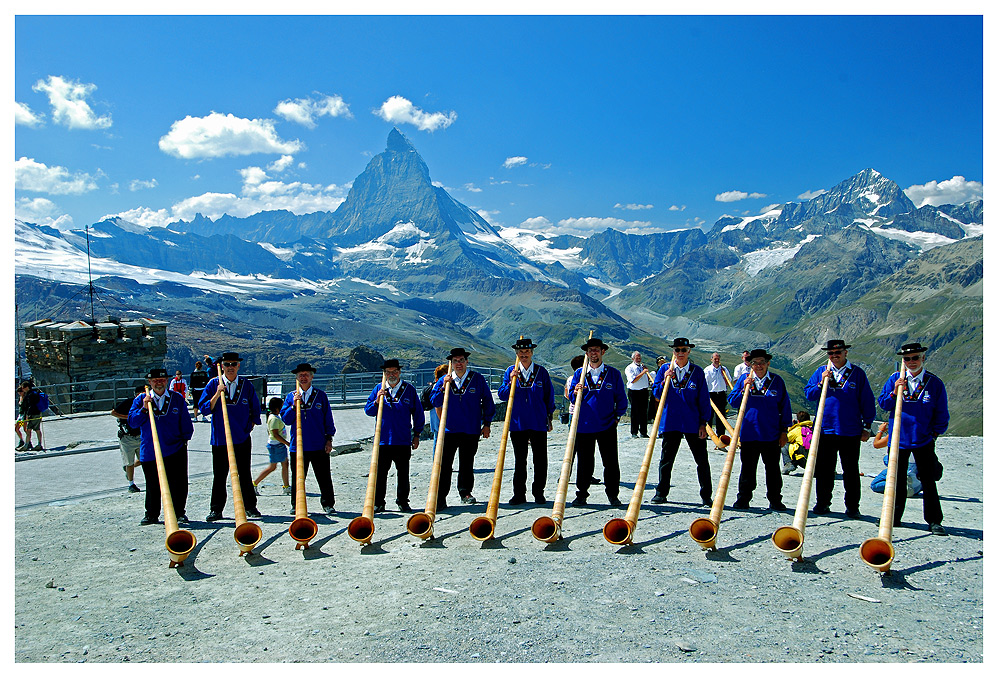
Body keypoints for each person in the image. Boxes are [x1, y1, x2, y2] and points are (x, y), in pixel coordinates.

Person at [877, 342, 949, 535]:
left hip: (923, 439)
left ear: (923, 358)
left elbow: (941, 412)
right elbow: (883, 404)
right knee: (896, 480)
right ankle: (894, 517)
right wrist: (894, 391)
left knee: (927, 480)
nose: (911, 362)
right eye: (907, 359)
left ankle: (934, 521)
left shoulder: (934, 383)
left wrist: (935, 433)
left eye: (915, 357)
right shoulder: (895, 379)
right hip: (898, 439)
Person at [805, 339, 876, 519]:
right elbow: (809, 394)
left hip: (850, 430)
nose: (834, 356)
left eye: (838, 353)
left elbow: (867, 400)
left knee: (851, 471)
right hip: (825, 429)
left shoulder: (857, 374)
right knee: (824, 470)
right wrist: (821, 383)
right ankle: (823, 503)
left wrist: (867, 425)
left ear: (845, 353)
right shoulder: (821, 372)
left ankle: (852, 506)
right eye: (830, 354)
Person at [649, 338, 713, 507]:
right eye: (677, 350)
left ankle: (706, 495)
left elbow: (704, 399)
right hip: (671, 421)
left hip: (692, 422)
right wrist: (664, 380)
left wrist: (703, 423)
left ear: (689, 351)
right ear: (673, 352)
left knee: (701, 460)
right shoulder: (665, 369)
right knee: (666, 460)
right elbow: (656, 394)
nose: (680, 353)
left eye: (684, 350)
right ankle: (661, 493)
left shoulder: (697, 372)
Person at [198, 351, 262, 521]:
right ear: (222, 366)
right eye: (227, 364)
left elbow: (255, 408)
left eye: (234, 364)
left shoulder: (246, 385)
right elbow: (204, 408)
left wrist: (249, 427)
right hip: (220, 439)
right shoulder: (213, 384)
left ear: (238, 365)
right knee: (220, 475)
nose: (230, 367)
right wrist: (217, 394)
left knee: (244, 473)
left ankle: (250, 507)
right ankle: (216, 510)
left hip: (241, 438)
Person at [430, 348, 496, 507]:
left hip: (470, 429)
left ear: (467, 361)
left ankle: (465, 492)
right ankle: (440, 497)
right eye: (455, 361)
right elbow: (434, 401)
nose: (458, 364)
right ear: (451, 363)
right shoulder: (444, 380)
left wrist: (487, 423)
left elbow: (488, 401)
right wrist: (443, 387)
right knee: (444, 464)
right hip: (448, 430)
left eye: (461, 360)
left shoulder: (477, 379)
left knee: (467, 463)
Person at [727, 348, 792, 511]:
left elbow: (785, 406)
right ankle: (743, 498)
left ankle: (775, 499)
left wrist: (784, 430)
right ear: (750, 365)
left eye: (762, 362)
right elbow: (732, 402)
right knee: (748, 469)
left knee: (773, 470)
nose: (759, 366)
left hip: (771, 434)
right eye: (755, 363)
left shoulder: (777, 381)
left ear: (767, 363)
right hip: (749, 433)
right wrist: (743, 389)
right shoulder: (744, 379)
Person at [127, 368, 194, 525]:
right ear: (149, 382)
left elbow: (185, 422)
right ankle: (151, 514)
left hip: (175, 448)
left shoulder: (176, 398)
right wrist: (144, 408)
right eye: (155, 380)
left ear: (166, 381)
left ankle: (178, 512)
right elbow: (132, 422)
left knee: (178, 483)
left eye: (162, 379)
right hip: (150, 450)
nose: (159, 382)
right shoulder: (141, 399)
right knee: (152, 484)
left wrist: (184, 440)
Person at [568, 337, 628, 507]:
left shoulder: (613, 374)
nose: (593, 352)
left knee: (610, 461)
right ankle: (581, 494)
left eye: (596, 349)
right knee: (584, 462)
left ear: (603, 351)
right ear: (586, 353)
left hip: (607, 425)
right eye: (590, 350)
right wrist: (576, 391)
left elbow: (621, 399)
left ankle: (613, 495)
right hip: (584, 425)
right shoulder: (580, 374)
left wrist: (617, 417)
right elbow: (572, 397)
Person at [497, 337, 556, 505]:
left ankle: (539, 492)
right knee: (520, 460)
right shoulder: (510, 370)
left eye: (527, 351)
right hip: (518, 423)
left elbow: (548, 396)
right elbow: (502, 395)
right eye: (521, 352)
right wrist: (510, 381)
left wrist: (549, 417)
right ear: (516, 353)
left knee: (540, 459)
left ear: (532, 352)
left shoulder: (541, 372)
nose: (524, 354)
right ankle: (519, 494)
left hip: (538, 421)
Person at [364, 359, 424, 512]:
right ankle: (379, 502)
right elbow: (368, 411)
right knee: (380, 473)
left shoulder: (409, 389)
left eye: (394, 371)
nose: (391, 375)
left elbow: (418, 413)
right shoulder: (379, 389)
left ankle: (403, 501)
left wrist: (417, 434)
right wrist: (377, 400)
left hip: (402, 439)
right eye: (388, 372)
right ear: (384, 373)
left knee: (403, 473)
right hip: (382, 440)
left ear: (399, 372)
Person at [281, 363, 338, 516]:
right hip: (298, 446)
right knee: (298, 478)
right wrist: (294, 405)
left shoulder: (321, 395)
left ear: (312, 376)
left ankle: (328, 504)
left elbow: (328, 419)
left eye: (306, 374)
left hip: (318, 444)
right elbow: (285, 419)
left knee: (324, 476)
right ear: (297, 378)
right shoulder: (290, 396)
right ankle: (296, 504)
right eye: (300, 375)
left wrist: (329, 439)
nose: (303, 377)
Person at [869, 421, 922, 497]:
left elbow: (876, 444)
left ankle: (900, 485)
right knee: (886, 459)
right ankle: (918, 485)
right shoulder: (921, 431)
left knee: (875, 485)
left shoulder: (897, 431)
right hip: (916, 469)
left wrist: (880, 431)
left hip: (903, 465)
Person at [111, 385, 145, 493]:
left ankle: (128, 470)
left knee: (144, 460)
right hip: (127, 438)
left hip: (141, 437)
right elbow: (113, 412)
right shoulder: (128, 402)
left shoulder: (147, 404)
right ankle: (131, 484)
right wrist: (128, 417)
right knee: (129, 462)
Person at [254, 397, 291, 496]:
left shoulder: (275, 417)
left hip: (278, 445)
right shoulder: (273, 419)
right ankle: (254, 483)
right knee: (272, 467)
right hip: (276, 446)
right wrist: (287, 443)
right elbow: (275, 434)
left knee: (285, 464)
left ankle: (286, 486)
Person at [703, 352, 732, 445]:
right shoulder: (707, 370)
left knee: (721, 415)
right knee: (710, 414)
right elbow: (704, 383)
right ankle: (709, 433)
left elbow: (729, 381)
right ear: (711, 359)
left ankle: (721, 434)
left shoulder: (724, 369)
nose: (717, 360)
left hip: (721, 394)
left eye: (718, 359)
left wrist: (724, 376)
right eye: (715, 359)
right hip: (711, 394)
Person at [624, 351, 652, 438]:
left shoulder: (643, 367)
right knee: (635, 412)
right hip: (634, 391)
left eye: (639, 357)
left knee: (644, 412)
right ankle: (634, 432)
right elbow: (633, 380)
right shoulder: (629, 368)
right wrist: (643, 372)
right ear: (633, 358)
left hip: (644, 390)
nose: (639, 359)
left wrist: (646, 374)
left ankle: (643, 432)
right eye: (637, 358)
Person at [15, 381, 45, 451]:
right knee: (18, 428)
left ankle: (27, 444)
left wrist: (27, 415)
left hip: (27, 416)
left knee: (27, 429)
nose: (20, 392)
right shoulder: (26, 396)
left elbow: (29, 406)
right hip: (23, 416)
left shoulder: (29, 395)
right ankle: (24, 442)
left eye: (21, 390)